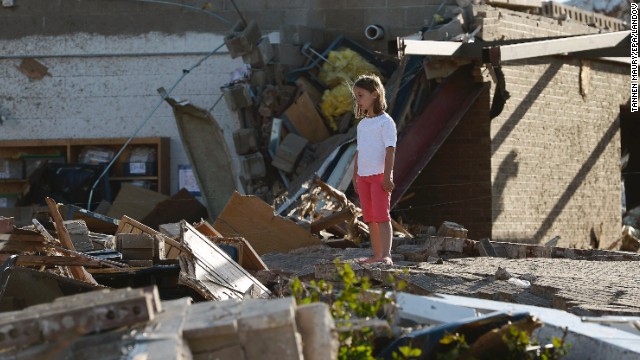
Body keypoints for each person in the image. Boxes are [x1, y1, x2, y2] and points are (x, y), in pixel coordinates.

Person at [351, 74, 397, 265]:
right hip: (363, 177)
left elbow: (390, 150)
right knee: (370, 218)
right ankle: (376, 255)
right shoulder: (362, 125)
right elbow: (359, 151)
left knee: (382, 217)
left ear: (375, 94)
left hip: (379, 177)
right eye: (356, 97)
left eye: (361, 96)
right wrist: (355, 176)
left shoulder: (386, 122)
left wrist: (387, 177)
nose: (358, 101)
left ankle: (386, 255)